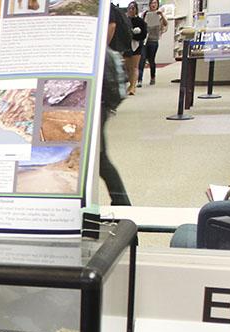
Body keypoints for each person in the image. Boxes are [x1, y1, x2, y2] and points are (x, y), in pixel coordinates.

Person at [101, 3, 132, 206]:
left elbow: (111, 25)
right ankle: (122, 202)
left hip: (98, 103)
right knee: (98, 158)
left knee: (99, 158)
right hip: (100, 102)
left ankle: (122, 203)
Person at [140, 0, 168, 85]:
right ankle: (139, 80)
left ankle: (153, 77)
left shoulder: (159, 15)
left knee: (151, 59)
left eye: (155, 3)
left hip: (154, 40)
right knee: (142, 59)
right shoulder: (145, 14)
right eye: (152, 3)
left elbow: (166, 24)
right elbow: (141, 24)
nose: (153, 5)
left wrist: (162, 15)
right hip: (145, 40)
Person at [124, 3, 147, 94]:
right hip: (126, 46)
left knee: (134, 67)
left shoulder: (140, 21)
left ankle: (133, 86)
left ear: (136, 10)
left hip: (136, 46)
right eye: (129, 8)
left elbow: (143, 34)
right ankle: (130, 84)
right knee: (127, 67)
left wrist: (134, 35)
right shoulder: (124, 20)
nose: (131, 10)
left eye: (133, 8)